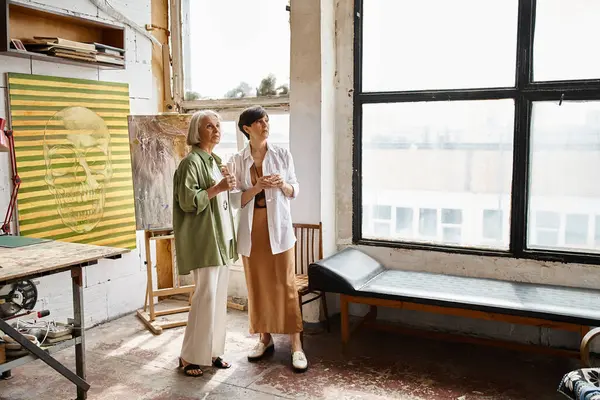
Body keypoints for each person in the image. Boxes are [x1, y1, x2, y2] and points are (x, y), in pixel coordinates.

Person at [229, 106, 307, 372]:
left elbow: (295, 189)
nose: (265, 125)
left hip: (280, 230)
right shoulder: (237, 160)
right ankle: (264, 339)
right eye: (259, 122)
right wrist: (257, 187)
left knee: (285, 285)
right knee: (258, 285)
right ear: (246, 128)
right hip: (252, 229)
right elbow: (234, 199)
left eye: (267, 120)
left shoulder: (282, 154)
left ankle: (296, 345)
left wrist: (282, 185)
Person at [173, 110, 237, 377]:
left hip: (221, 240)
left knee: (217, 297)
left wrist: (225, 186)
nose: (216, 130)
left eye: (218, 125)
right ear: (197, 133)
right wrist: (218, 188)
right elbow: (188, 201)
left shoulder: (215, 161)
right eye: (209, 126)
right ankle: (189, 357)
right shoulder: (191, 162)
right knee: (205, 297)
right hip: (204, 241)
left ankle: (212, 352)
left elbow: (220, 200)